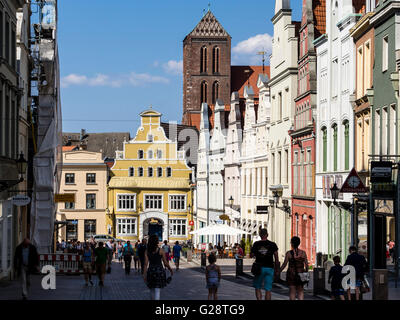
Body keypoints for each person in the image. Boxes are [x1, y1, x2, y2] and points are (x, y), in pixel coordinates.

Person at [250, 229, 279, 300]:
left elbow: (252, 255)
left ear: (260, 235)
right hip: (270, 268)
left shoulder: (256, 244)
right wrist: (277, 269)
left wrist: (258, 253)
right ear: (267, 234)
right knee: (268, 289)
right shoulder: (273, 244)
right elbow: (276, 258)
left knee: (258, 287)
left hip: (259, 268)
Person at [143, 235, 173, 300]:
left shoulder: (147, 251)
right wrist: (170, 269)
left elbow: (145, 264)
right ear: (157, 242)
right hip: (159, 271)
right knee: (157, 290)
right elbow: (165, 263)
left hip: (151, 270)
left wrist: (144, 274)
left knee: (151, 288)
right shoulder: (161, 250)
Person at [280, 236, 309, 300]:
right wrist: (306, 273)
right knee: (300, 291)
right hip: (301, 274)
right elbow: (306, 265)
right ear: (299, 243)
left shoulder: (288, 253)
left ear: (292, 243)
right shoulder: (303, 253)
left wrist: (279, 271)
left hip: (291, 274)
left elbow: (284, 264)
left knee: (292, 292)